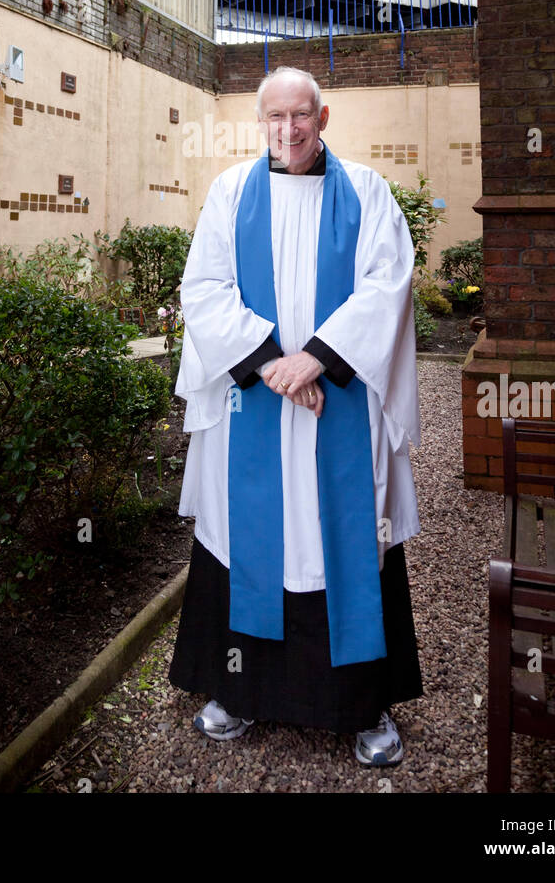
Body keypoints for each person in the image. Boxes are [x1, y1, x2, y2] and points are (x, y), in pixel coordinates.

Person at [168, 66, 423, 766]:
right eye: (274, 119)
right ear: (261, 123)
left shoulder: (367, 194)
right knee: (245, 541)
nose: (288, 132)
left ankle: (362, 707)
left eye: (300, 117)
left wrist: (314, 361)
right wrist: (273, 367)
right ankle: (237, 692)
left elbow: (386, 287)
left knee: (344, 543)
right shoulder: (230, 195)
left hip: (337, 404)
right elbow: (206, 289)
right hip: (258, 405)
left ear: (323, 116)